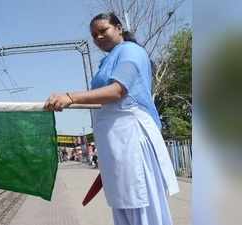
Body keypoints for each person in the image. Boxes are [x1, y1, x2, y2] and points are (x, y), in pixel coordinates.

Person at [44, 12, 179, 225]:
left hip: (131, 137)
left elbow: (118, 91)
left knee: (139, 201)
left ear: (118, 27)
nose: (98, 37)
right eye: (93, 35)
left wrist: (70, 97)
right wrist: (65, 103)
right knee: (123, 202)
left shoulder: (131, 51)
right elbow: (100, 100)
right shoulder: (108, 60)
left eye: (103, 31)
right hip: (115, 142)